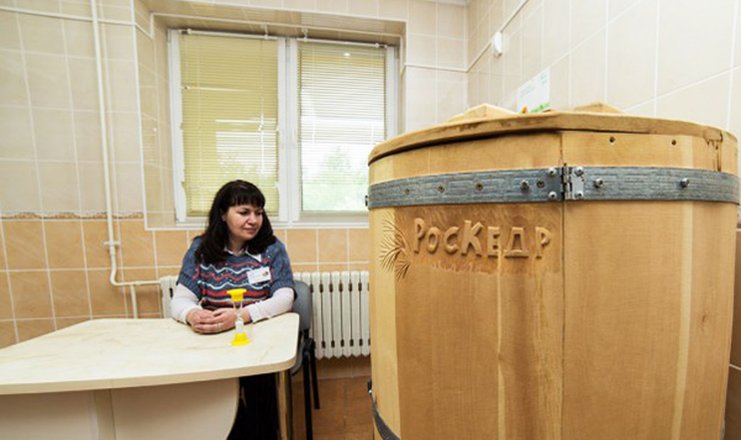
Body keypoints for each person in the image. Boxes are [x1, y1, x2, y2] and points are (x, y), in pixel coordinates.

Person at [171, 180, 294, 440]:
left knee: (261, 402)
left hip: (259, 341)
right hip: (214, 344)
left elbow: (285, 297)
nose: (253, 220)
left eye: (258, 213)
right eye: (244, 212)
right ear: (223, 214)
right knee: (215, 408)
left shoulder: (271, 248)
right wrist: (192, 315)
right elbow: (180, 299)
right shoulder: (201, 249)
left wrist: (240, 316)